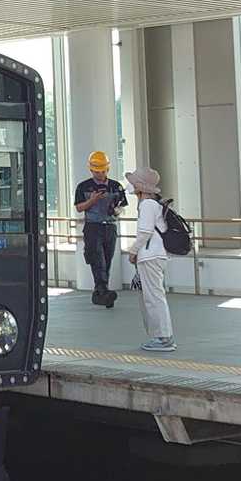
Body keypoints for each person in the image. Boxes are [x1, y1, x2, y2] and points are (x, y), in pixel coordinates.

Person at [124, 167, 174, 353]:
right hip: (156, 255)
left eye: (134, 182)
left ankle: (163, 338)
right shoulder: (154, 204)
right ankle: (162, 336)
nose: (131, 186)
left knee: (153, 297)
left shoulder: (147, 205)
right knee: (155, 296)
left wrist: (133, 251)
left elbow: (145, 232)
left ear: (140, 186)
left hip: (150, 256)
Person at [74, 151, 127, 308]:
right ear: (91, 170)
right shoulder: (83, 187)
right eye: (97, 172)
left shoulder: (116, 186)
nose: (100, 174)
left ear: (107, 169)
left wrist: (116, 210)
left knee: (107, 260)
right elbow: (79, 207)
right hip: (92, 226)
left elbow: (122, 207)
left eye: (103, 171)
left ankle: (101, 292)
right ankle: (102, 290)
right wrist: (92, 200)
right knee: (97, 259)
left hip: (110, 226)